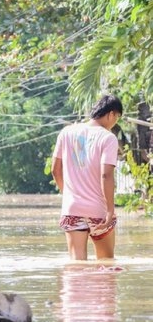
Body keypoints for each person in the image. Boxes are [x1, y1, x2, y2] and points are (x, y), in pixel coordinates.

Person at [51, 94, 123, 260]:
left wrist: (68, 195)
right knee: (106, 265)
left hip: (72, 208)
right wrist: (110, 210)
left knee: (77, 265)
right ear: (111, 114)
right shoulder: (108, 138)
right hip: (98, 210)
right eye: (117, 118)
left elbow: (55, 170)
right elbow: (106, 175)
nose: (115, 122)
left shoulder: (66, 132)